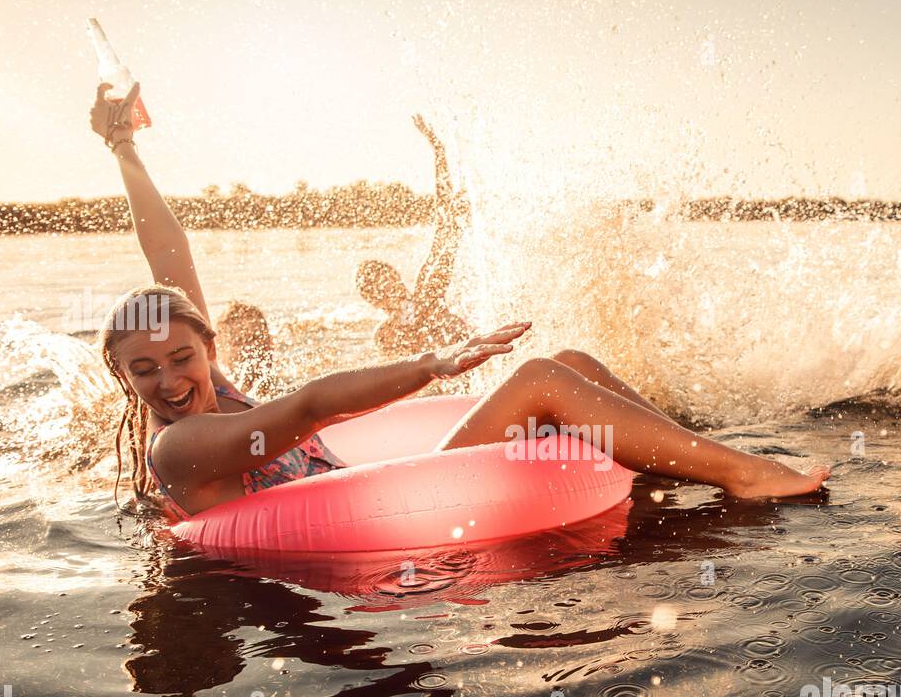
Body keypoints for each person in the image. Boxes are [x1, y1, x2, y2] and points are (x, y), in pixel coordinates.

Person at [90, 83, 831, 521]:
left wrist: (124, 149)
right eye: (144, 370)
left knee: (569, 361)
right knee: (541, 379)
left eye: (181, 355)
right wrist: (432, 365)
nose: (168, 379)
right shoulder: (177, 442)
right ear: (124, 378)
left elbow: (172, 264)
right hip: (383, 512)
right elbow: (311, 407)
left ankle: (687, 465)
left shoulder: (209, 390)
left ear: (208, 347)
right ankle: (743, 475)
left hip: (370, 489)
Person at [357, 115, 473, 358]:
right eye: (380, 287)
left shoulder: (427, 291)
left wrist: (439, 152)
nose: (389, 288)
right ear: (373, 299)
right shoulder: (385, 337)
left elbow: (445, 225)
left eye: (388, 280)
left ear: (397, 277)